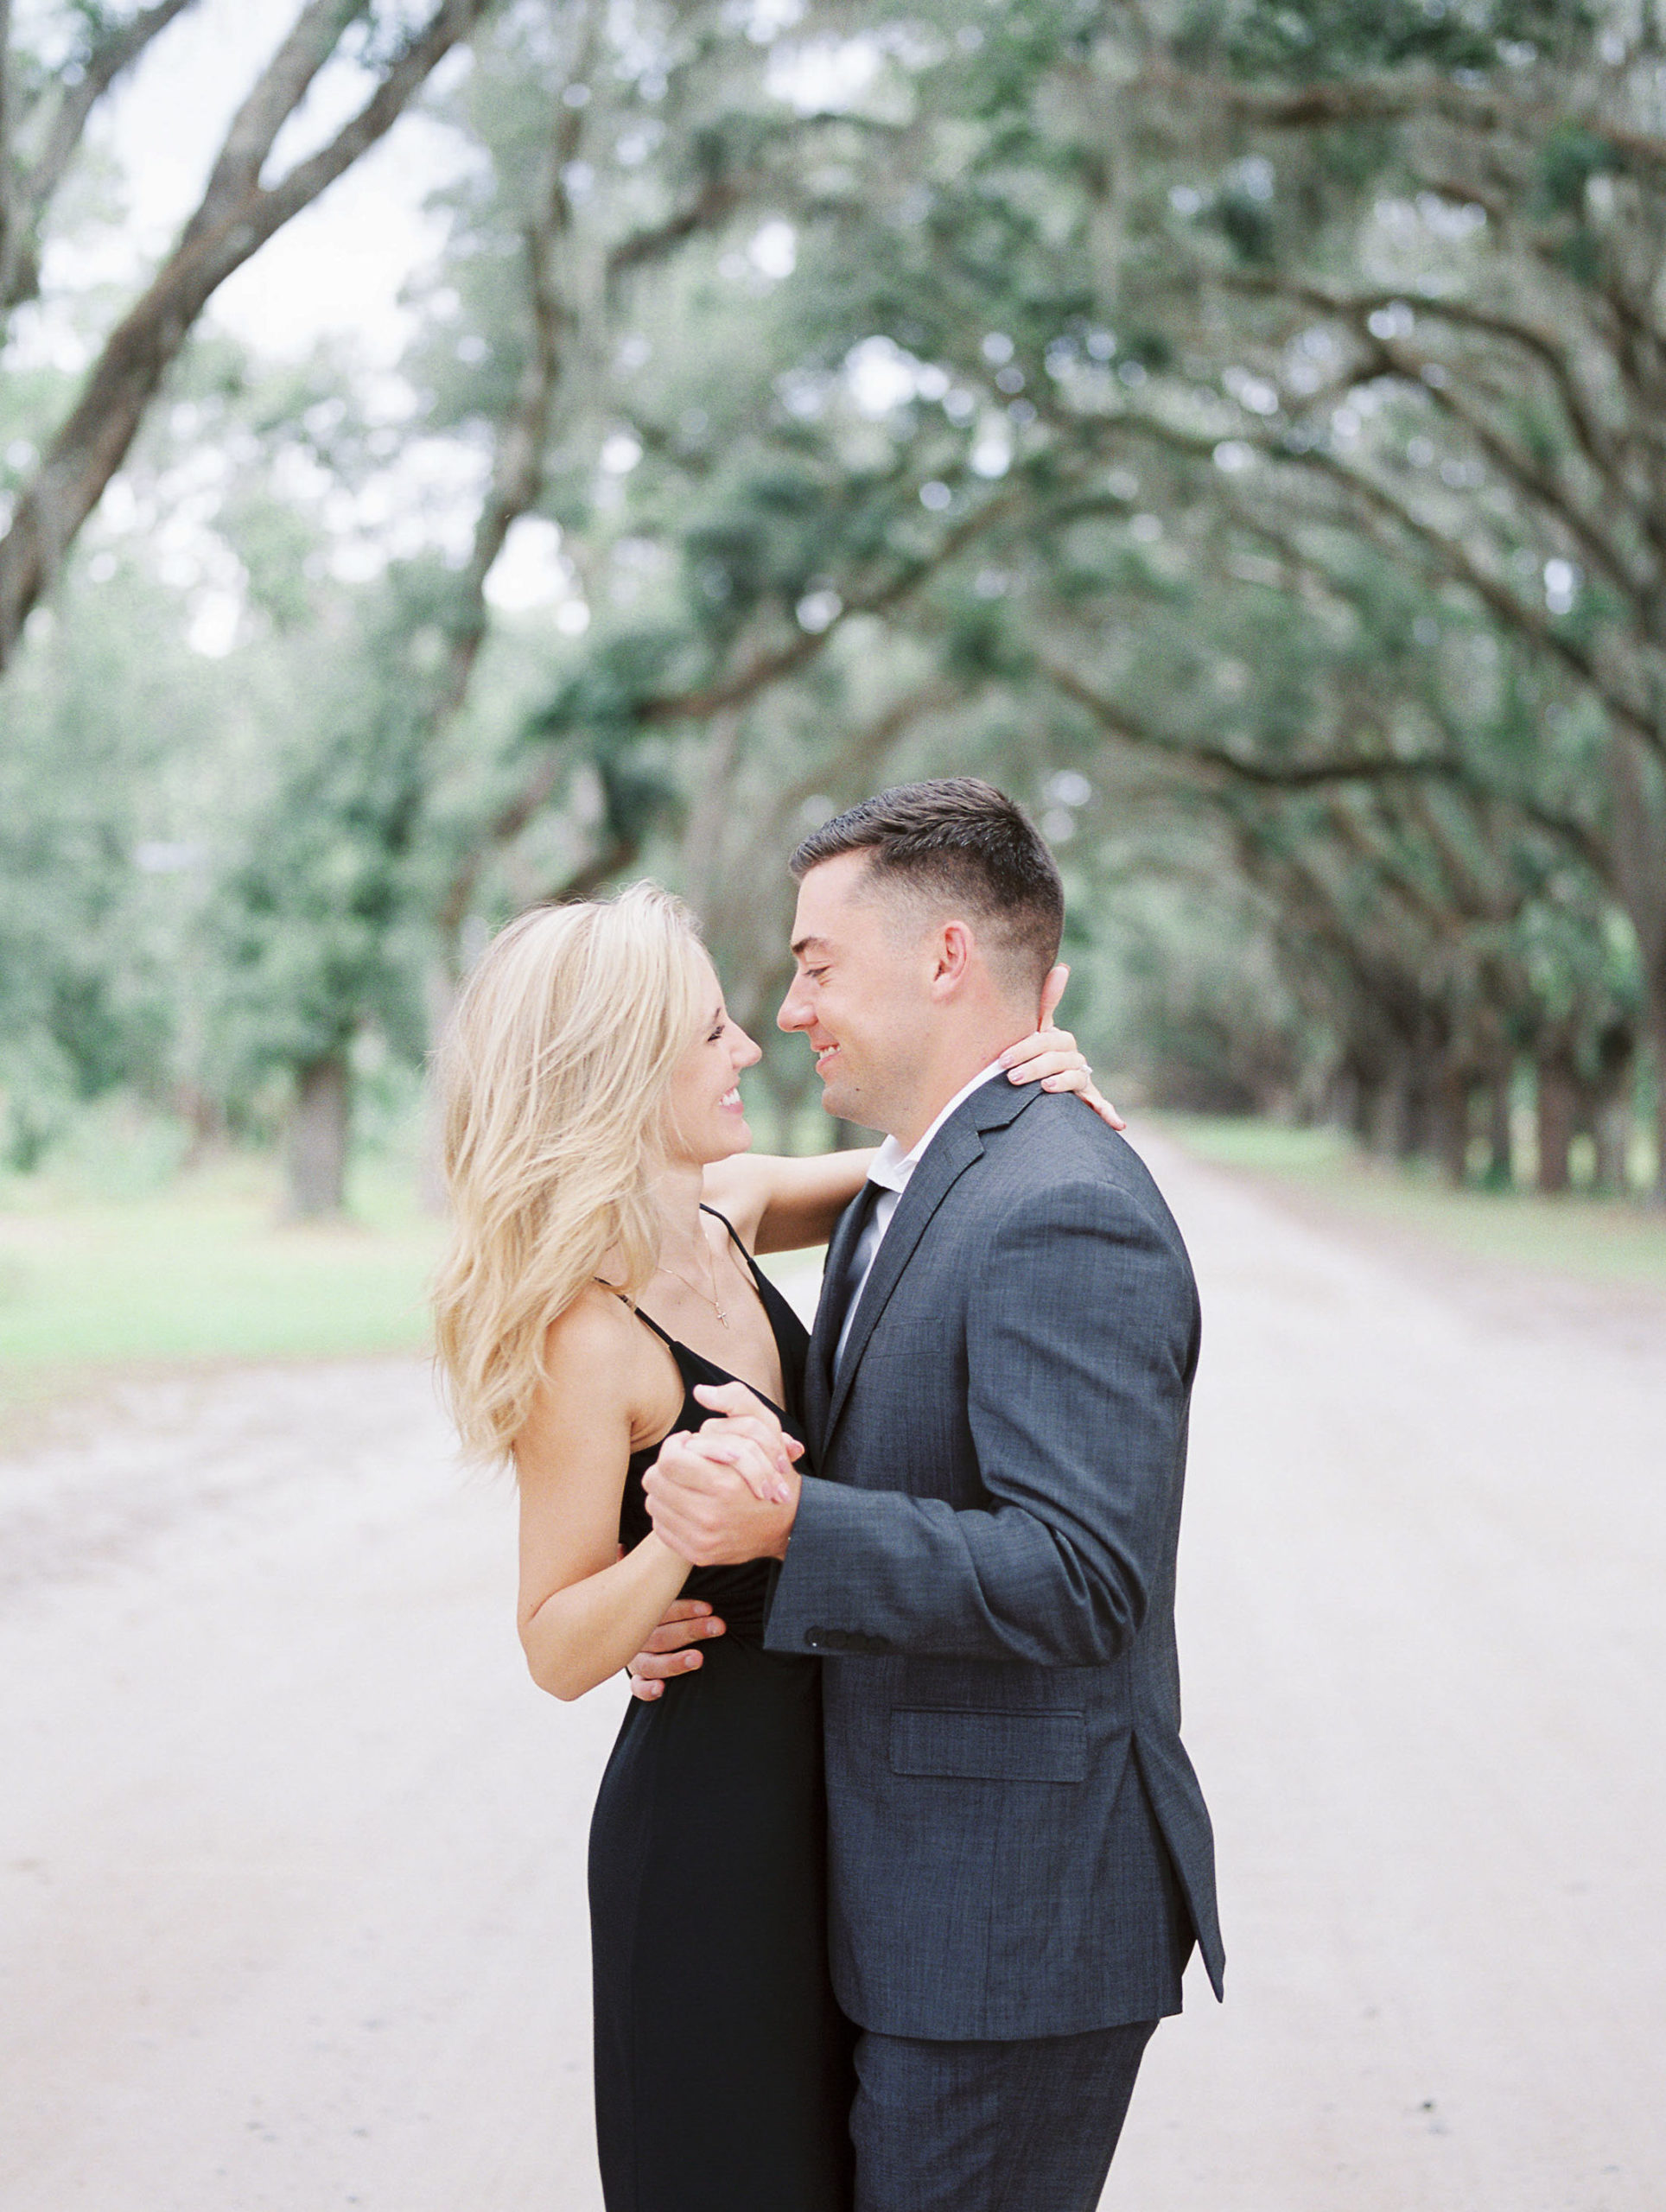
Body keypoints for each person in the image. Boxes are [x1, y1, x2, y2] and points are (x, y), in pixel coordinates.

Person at [429, 881, 1116, 2212]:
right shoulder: (585, 1337)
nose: (752, 1048)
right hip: (709, 1837)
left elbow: (946, 1158)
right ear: (620, 1069)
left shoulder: (725, 1210)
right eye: (711, 1034)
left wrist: (1033, 1073)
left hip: (841, 1807)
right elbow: (554, 1646)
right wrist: (671, 1551)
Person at [632, 779, 1225, 2212]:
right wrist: (683, 1587)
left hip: (1008, 1929)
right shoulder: (928, 1172)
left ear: (947, 958)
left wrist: (790, 1530)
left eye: (816, 964)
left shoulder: (1059, 1203)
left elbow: (1085, 1577)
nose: (789, 1010)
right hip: (902, 1904)